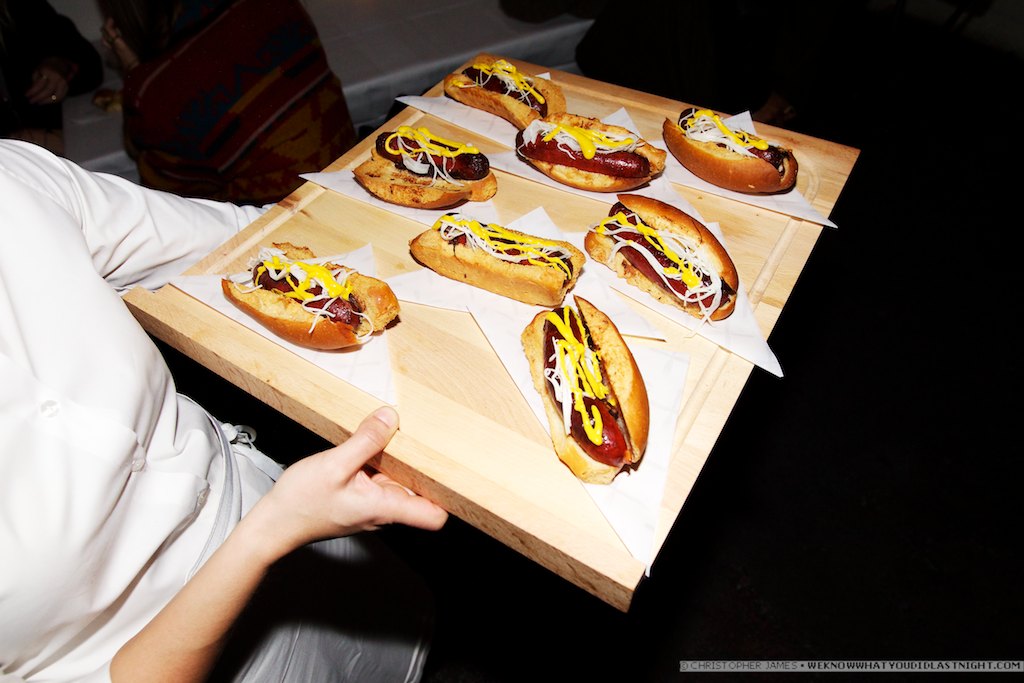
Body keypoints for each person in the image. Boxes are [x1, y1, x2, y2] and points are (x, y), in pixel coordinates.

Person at [0, 138, 449, 682]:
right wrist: (271, 531)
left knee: (398, 643)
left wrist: (415, 238)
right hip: (204, 650)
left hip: (305, 522)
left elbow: (242, 241)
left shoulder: (11, 181)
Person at [98, 0, 357, 206]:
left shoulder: (159, 89)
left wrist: (134, 74)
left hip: (283, 225)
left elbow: (173, 209)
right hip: (353, 179)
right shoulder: (275, 5)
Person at [0, 0, 103, 155]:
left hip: (65, 148)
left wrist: (60, 65)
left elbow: (89, 63)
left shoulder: (19, 8)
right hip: (21, 159)